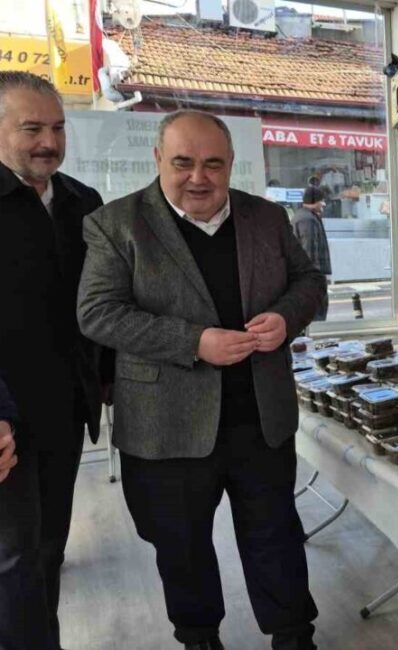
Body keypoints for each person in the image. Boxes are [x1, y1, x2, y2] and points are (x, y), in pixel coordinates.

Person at [77, 110, 326, 650]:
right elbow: (97, 312)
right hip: (168, 423)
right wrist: (194, 342)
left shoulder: (266, 218)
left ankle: (292, 634)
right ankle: (198, 637)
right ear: (158, 160)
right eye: (183, 162)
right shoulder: (117, 224)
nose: (199, 177)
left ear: (231, 164)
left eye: (213, 164)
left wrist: (286, 317)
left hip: (260, 417)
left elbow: (309, 282)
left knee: (275, 536)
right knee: (182, 545)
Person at [0, 71, 110, 650]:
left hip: (66, 413)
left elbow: (100, 309)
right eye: (32, 127)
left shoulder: (81, 202)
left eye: (58, 127)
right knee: (13, 563)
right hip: (6, 423)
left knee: (47, 553)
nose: (49, 140)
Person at [290, 186, 332, 321]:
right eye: (322, 200)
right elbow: (309, 251)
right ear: (315, 201)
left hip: (307, 277)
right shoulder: (307, 220)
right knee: (317, 313)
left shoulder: (304, 216)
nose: (324, 204)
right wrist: (316, 278)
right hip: (311, 279)